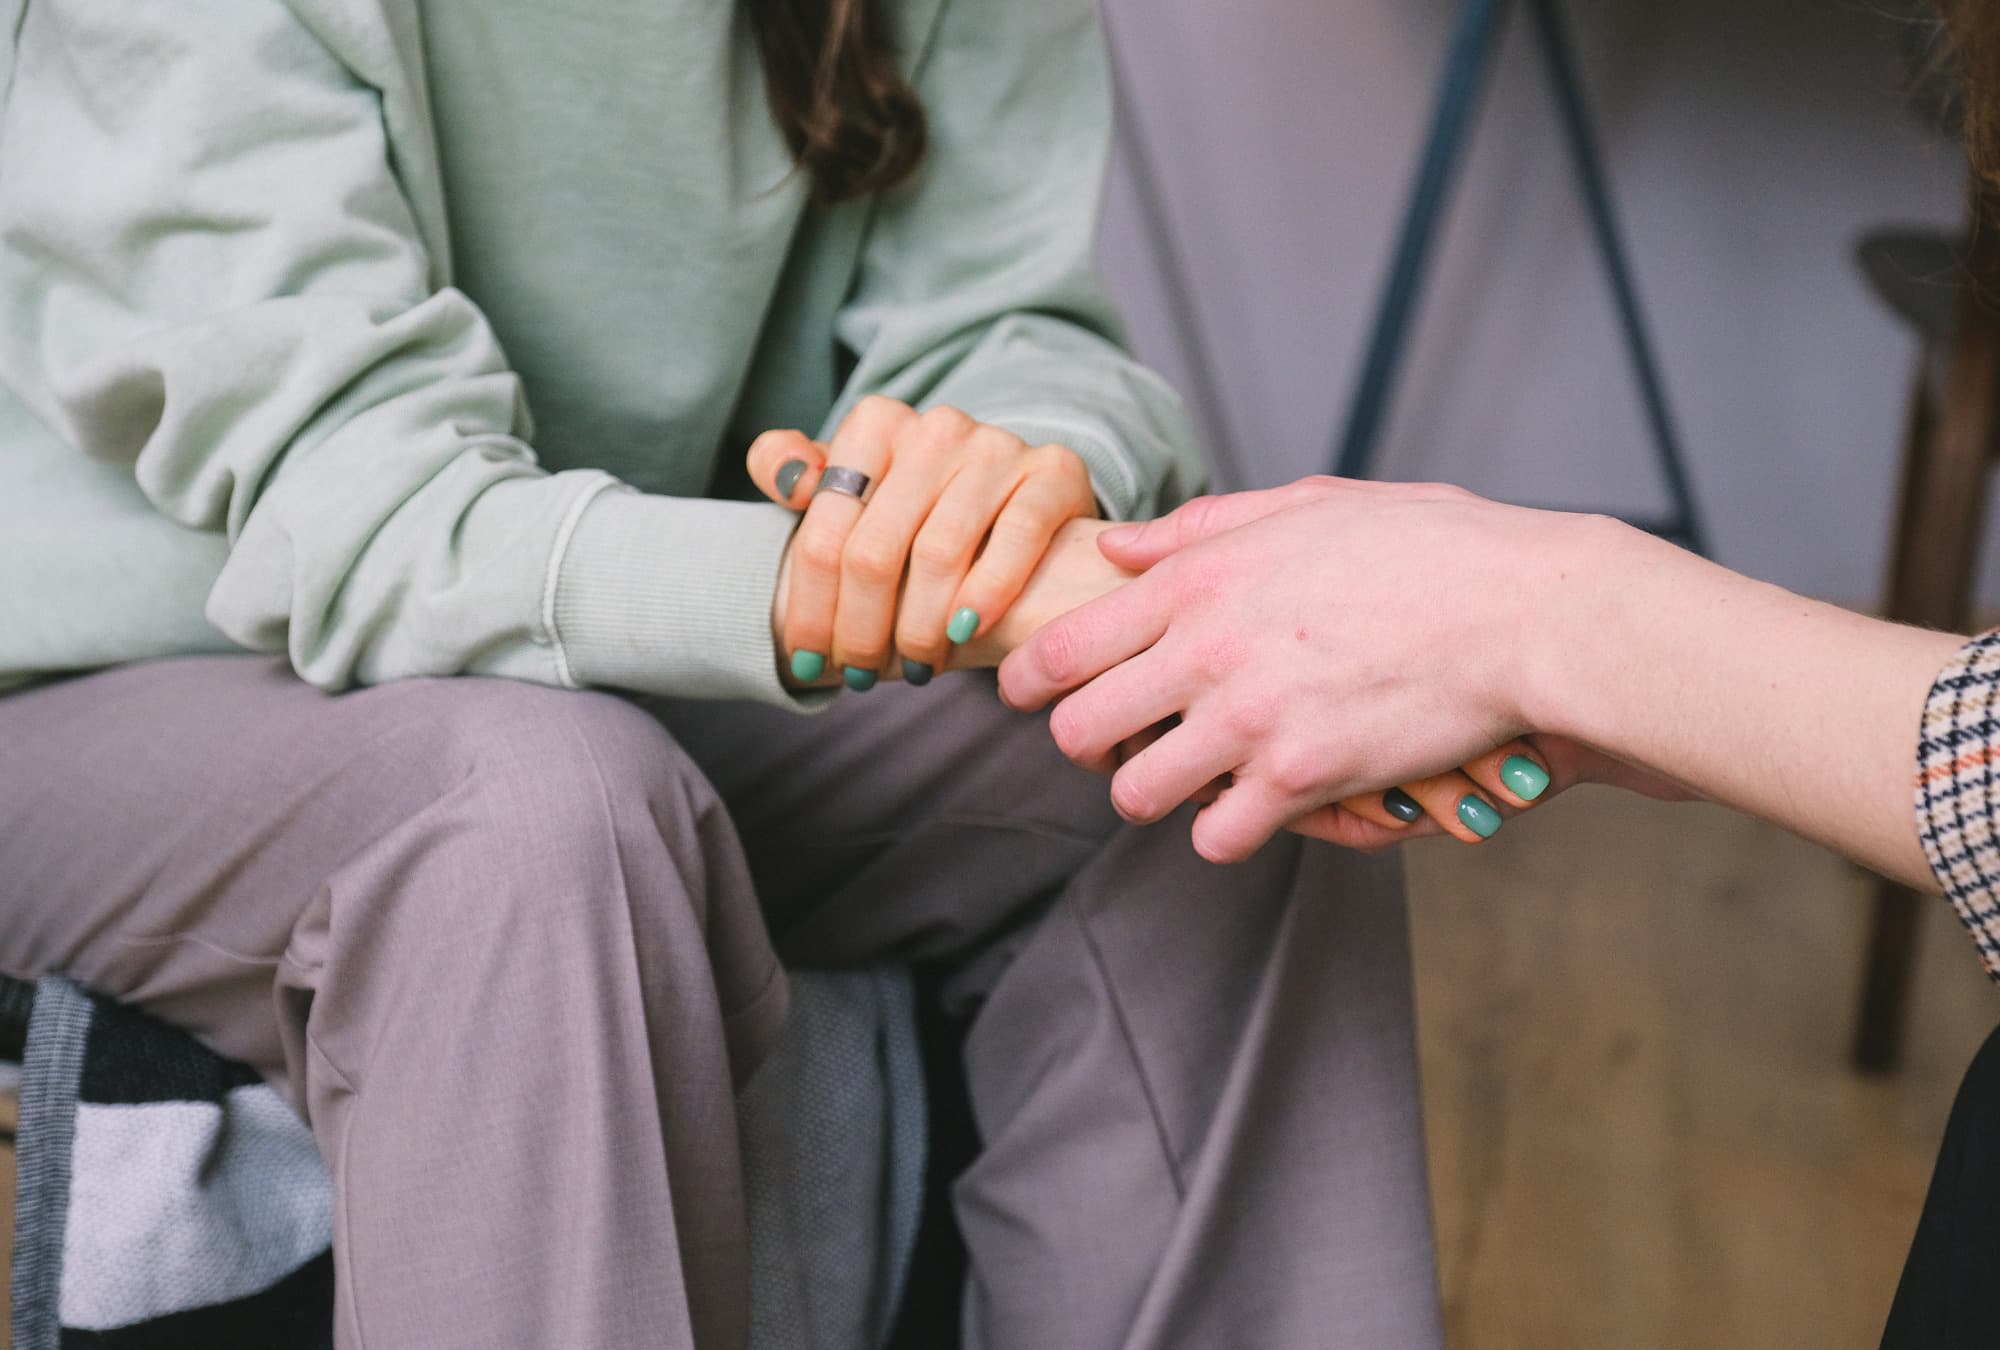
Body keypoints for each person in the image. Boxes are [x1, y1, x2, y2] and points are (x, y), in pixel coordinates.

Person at [0, 2, 1453, 1348]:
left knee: (1201, 721)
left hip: (609, 650)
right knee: (536, 815)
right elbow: (360, 509)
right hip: (111, 688)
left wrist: (1003, 487)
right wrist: (832, 586)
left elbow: (1008, 320)